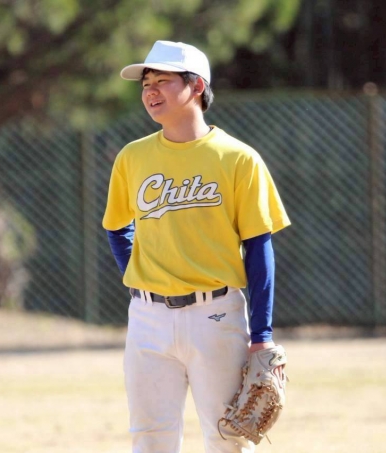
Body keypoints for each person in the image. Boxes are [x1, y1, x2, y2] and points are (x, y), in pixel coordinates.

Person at [102, 40, 291, 453]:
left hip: (216, 314)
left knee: (229, 440)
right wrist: (141, 275)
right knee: (149, 439)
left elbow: (259, 248)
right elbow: (117, 228)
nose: (150, 91)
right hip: (147, 319)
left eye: (162, 81)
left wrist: (261, 334)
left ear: (197, 86)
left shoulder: (238, 159)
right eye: (146, 84)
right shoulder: (133, 157)